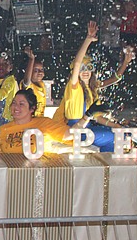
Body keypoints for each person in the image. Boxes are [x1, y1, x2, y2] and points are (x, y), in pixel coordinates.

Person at [51, 21, 126, 152]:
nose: (85, 71)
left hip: (87, 127)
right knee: (114, 137)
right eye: (82, 68)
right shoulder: (74, 87)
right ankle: (106, 160)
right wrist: (88, 40)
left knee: (119, 134)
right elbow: (77, 62)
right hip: (76, 129)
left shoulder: (92, 89)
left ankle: (106, 160)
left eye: (88, 67)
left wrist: (116, 126)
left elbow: (97, 116)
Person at [0, 90, 68, 153]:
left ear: (32, 109)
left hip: (42, 164)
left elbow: (70, 135)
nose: (16, 107)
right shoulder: (3, 129)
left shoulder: (44, 123)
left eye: (21, 104)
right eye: (14, 103)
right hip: (12, 164)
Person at [21, 46, 47, 117]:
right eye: (36, 70)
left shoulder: (42, 84)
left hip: (40, 120)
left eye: (42, 70)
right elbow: (27, 80)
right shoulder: (29, 86)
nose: (40, 72)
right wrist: (31, 59)